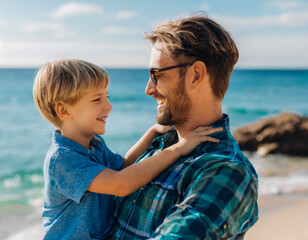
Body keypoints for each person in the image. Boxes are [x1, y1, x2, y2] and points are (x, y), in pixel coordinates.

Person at [32, 59, 222, 240]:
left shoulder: (94, 144)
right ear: (64, 111)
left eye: (107, 97)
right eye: (97, 99)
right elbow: (121, 184)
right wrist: (179, 148)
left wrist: (153, 131)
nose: (109, 106)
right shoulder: (62, 160)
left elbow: (123, 167)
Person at [109, 15, 258, 239]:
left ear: (196, 75)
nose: (149, 89)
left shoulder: (227, 169)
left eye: (156, 74)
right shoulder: (160, 144)